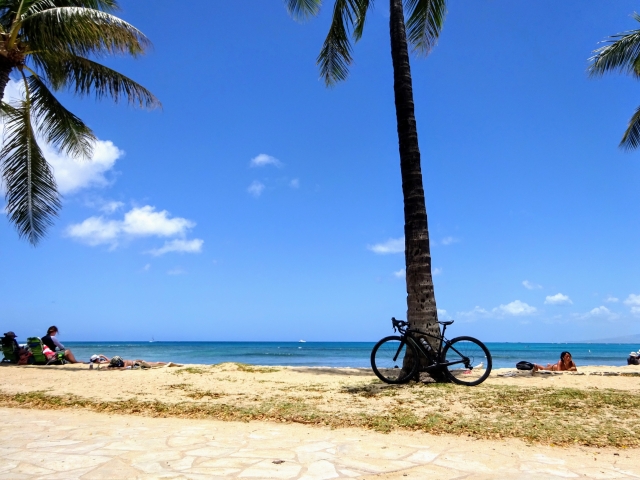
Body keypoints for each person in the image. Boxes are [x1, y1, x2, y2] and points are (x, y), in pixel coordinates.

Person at [89, 354, 168, 369]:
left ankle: (167, 364)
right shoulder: (114, 362)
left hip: (137, 363)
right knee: (155, 363)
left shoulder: (118, 362)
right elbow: (108, 361)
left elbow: (108, 361)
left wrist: (102, 356)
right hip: (137, 363)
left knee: (156, 363)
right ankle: (167, 364)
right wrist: (102, 356)